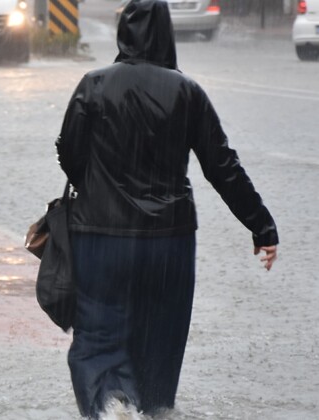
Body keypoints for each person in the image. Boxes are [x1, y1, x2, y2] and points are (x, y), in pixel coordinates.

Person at [55, 0, 278, 418]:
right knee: (159, 344)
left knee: (99, 339)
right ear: (166, 34)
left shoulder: (94, 84)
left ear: (123, 31)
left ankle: (109, 407)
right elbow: (222, 167)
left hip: (101, 240)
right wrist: (261, 226)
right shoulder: (187, 92)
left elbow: (69, 154)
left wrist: (100, 186)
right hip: (168, 244)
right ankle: (151, 407)